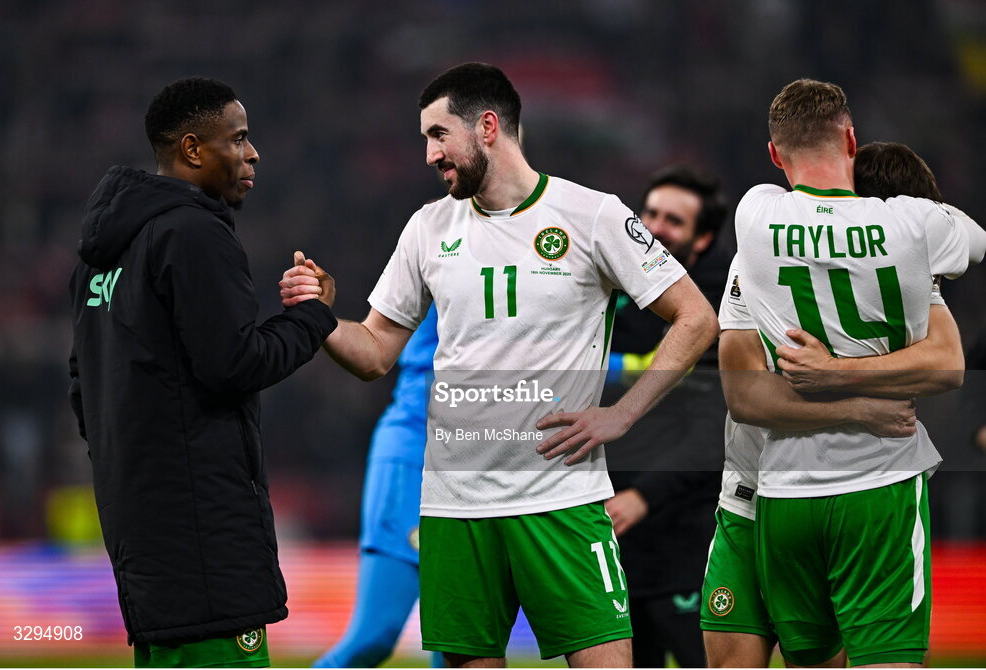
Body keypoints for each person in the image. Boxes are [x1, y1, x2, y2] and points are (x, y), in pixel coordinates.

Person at [281, 62, 720, 667]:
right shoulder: (428, 227)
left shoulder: (591, 215)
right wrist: (323, 317)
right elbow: (376, 352)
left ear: (487, 126)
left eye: (438, 135)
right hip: (455, 508)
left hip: (561, 503)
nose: (430, 155)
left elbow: (695, 318)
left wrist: (622, 415)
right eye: (424, 139)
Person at [68, 77, 337, 668]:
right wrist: (313, 317)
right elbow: (235, 363)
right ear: (193, 150)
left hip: (140, 537)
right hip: (205, 544)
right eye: (238, 139)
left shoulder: (99, 256)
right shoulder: (193, 232)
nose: (253, 153)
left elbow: (83, 392)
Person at [720, 79, 985, 667]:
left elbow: (741, 388)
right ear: (851, 137)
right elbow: (974, 245)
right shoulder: (914, 226)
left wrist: (826, 370)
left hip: (785, 489)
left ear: (773, 154)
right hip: (879, 479)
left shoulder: (754, 217)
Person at [602, 166, 730, 668]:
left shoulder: (723, 315)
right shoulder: (610, 299)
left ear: (702, 239)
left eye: (673, 221)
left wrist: (643, 496)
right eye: (649, 213)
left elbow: (714, 430)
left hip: (689, 538)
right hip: (616, 536)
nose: (654, 228)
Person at [314, 304, 442, 668]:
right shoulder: (439, 251)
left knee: (459, 645)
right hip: (416, 458)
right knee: (374, 637)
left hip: (479, 465)